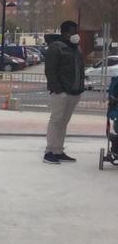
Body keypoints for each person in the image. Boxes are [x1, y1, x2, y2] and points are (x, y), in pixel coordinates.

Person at [43, 20, 86, 164]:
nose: (77, 34)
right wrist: (58, 89)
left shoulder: (75, 48)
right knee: (56, 121)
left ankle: (58, 150)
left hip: (74, 92)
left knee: (63, 122)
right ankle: (49, 152)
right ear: (66, 32)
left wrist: (80, 88)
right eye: (74, 31)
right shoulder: (56, 48)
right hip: (61, 92)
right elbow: (50, 71)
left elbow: (79, 68)